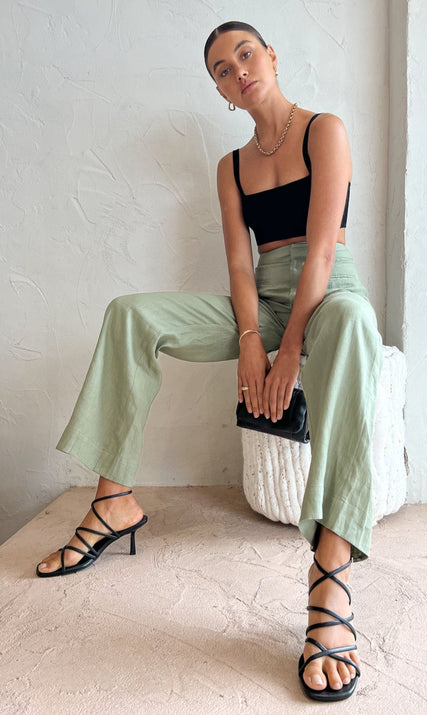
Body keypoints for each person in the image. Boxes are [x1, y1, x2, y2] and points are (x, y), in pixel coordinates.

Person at [36, 21, 383, 702]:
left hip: (328, 291)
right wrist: (251, 338)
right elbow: (238, 262)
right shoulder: (230, 166)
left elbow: (320, 252)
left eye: (245, 55)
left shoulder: (325, 131)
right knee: (131, 312)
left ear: (271, 56)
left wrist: (289, 351)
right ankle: (113, 500)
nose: (237, 70)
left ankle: (331, 573)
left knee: (354, 323)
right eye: (222, 69)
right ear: (220, 90)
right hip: (264, 298)